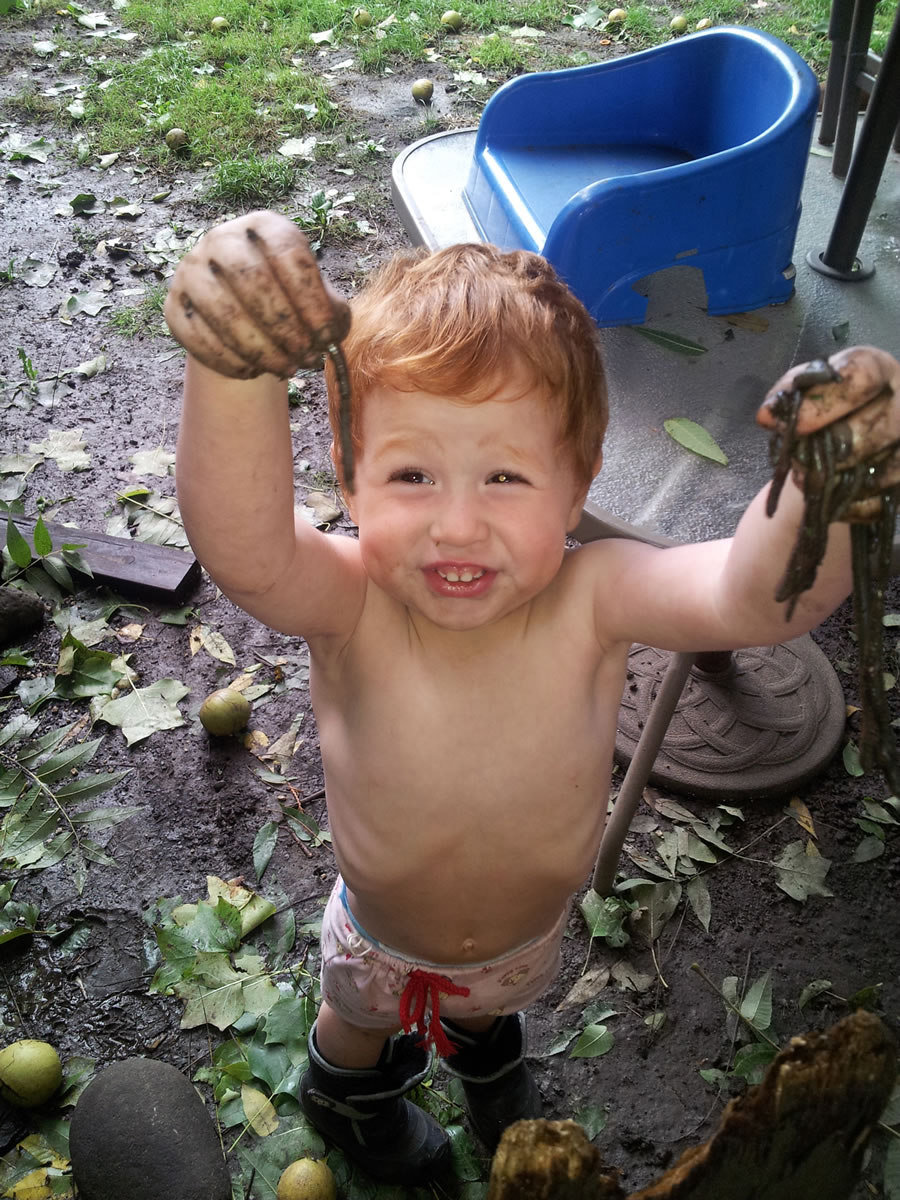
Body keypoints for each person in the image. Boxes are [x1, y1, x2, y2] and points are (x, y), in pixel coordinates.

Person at [165, 211, 900, 1186]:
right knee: (360, 1021)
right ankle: (346, 1092)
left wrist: (825, 485)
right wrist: (233, 365)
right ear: (349, 475)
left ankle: (483, 1052)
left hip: (522, 939)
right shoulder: (352, 602)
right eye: (412, 473)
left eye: (506, 475)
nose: (458, 524)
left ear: (576, 485)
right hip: (380, 937)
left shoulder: (593, 597)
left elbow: (750, 597)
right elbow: (245, 547)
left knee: (486, 1010)